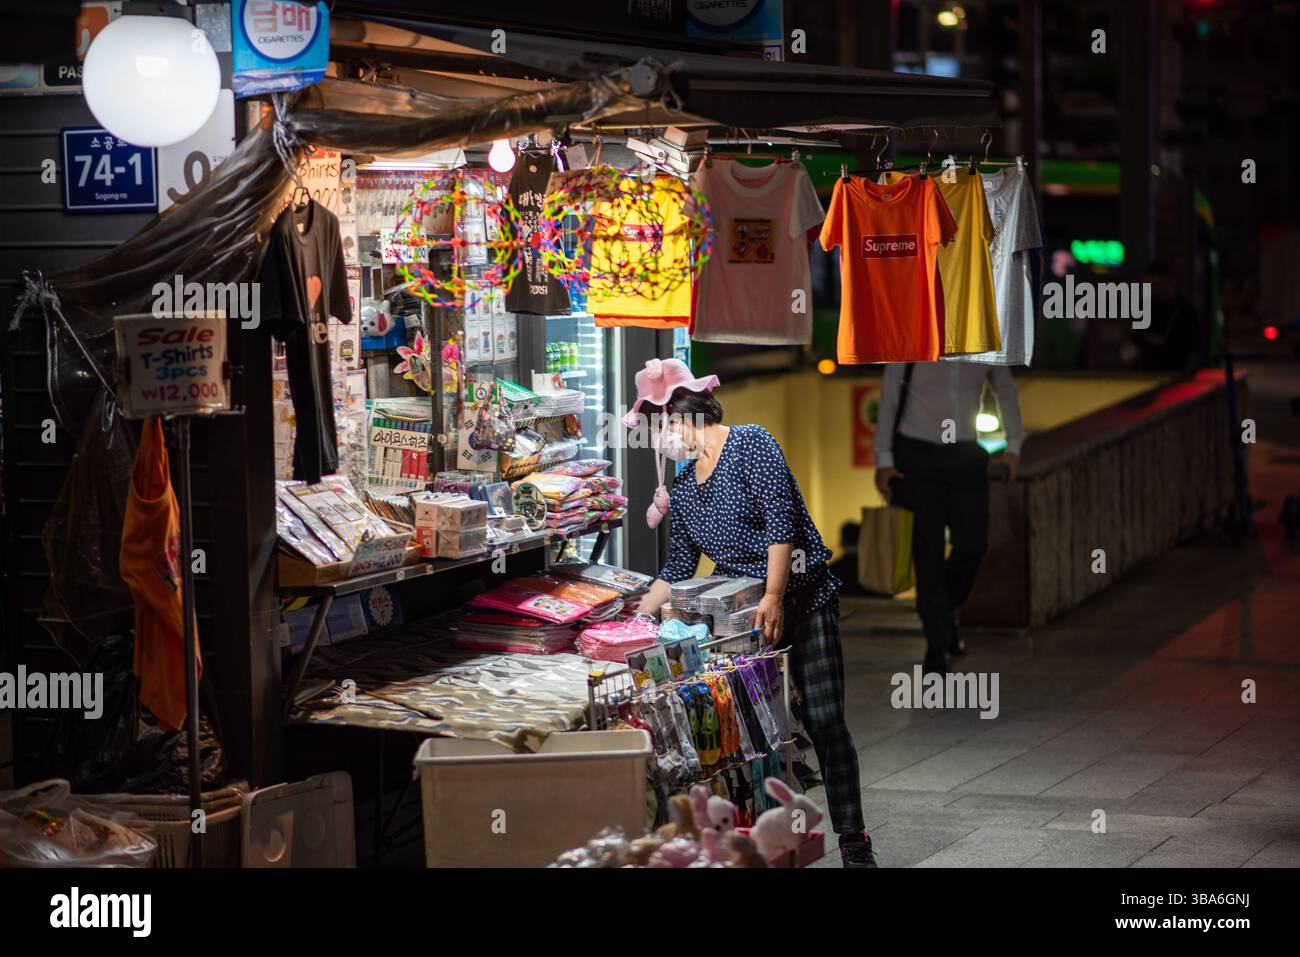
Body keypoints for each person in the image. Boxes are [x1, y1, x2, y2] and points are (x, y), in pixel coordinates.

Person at [627, 357, 875, 869]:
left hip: (800, 601)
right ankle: (765, 840)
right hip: (740, 623)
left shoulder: (752, 444)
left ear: (689, 412)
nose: (662, 437)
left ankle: (854, 839)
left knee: (825, 720)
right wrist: (631, 615)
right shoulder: (682, 487)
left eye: (665, 424)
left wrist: (775, 596)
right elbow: (675, 567)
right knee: (758, 735)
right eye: (656, 429)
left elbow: (782, 524)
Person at [874, 362, 1023, 675]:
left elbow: (1006, 389)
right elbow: (889, 395)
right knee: (927, 553)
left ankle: (943, 615)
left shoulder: (981, 336)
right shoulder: (915, 334)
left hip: (966, 453)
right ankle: (936, 644)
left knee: (973, 544)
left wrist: (1013, 447)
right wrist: (884, 459)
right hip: (917, 455)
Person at [1132, 260, 1204, 372]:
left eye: (1156, 285)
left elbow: (1193, 345)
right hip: (1148, 370)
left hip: (1175, 370)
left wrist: (1164, 344)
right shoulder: (1146, 305)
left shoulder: (1185, 311)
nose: (1153, 289)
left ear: (1168, 280)